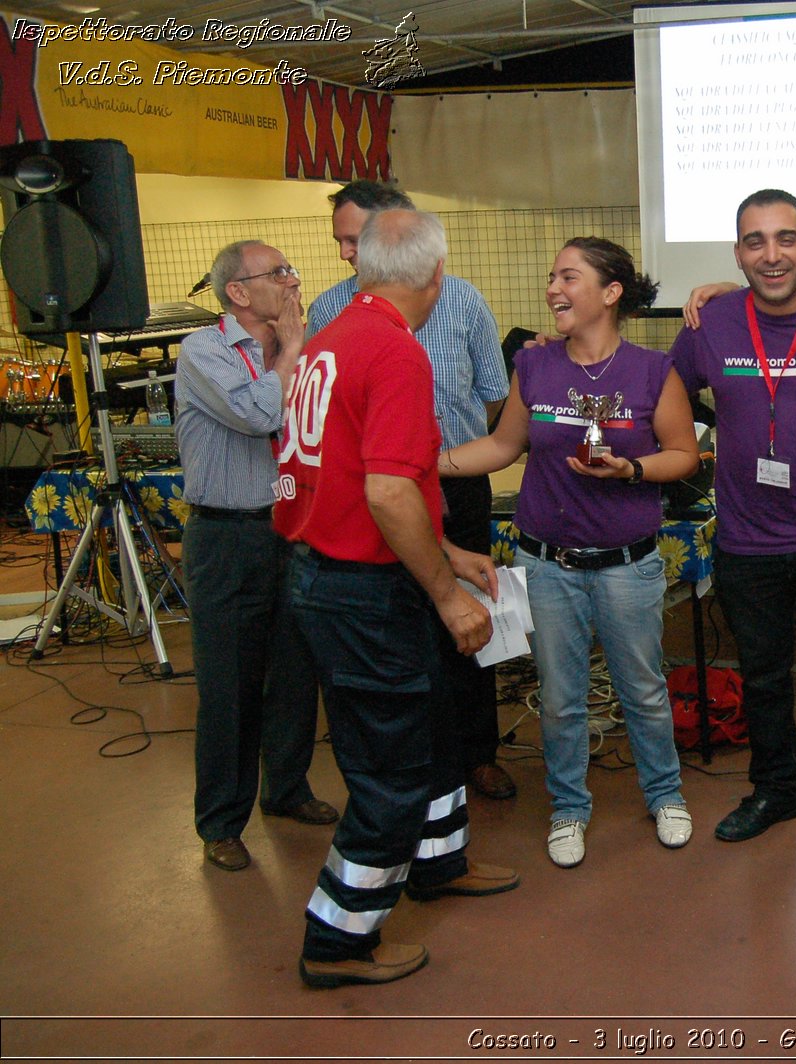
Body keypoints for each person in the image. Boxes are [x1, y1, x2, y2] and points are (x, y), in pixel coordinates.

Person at [278, 209, 517, 989]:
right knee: (391, 764)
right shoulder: (394, 350)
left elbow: (368, 480)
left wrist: (443, 549)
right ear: (435, 276)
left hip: (342, 571)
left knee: (433, 722)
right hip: (364, 588)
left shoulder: (333, 337)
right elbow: (386, 491)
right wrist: (447, 593)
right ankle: (337, 940)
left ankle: (439, 863)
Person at [439, 237, 700, 868]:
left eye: (569, 278)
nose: (553, 288)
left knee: (641, 689)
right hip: (545, 564)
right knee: (560, 696)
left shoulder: (651, 370)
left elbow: (684, 455)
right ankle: (568, 807)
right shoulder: (534, 366)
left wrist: (632, 470)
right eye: (552, 277)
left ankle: (665, 794)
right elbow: (502, 447)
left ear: (610, 293)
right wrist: (428, 465)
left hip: (627, 566)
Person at [669, 189, 796, 862]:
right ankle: (775, 789)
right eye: (755, 242)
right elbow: (664, 398)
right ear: (738, 253)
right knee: (762, 676)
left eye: (786, 238)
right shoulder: (711, 324)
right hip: (747, 539)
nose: (772, 254)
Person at [307, 180, 516, 802]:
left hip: (453, 487)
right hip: (385, 497)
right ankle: (419, 785)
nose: (349, 253)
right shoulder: (331, 312)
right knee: (405, 637)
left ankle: (472, 756)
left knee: (469, 628)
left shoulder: (463, 301)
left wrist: (453, 459)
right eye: (342, 241)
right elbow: (380, 482)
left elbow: (494, 392)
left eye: (357, 238)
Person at [177, 240, 337, 873]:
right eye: (279, 273)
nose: (294, 282)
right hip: (227, 536)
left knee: (295, 672)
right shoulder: (205, 352)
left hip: (292, 527)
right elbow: (256, 413)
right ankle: (221, 820)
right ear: (238, 292)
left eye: (291, 269)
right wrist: (294, 353)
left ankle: (287, 789)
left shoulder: (308, 343)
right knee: (230, 684)